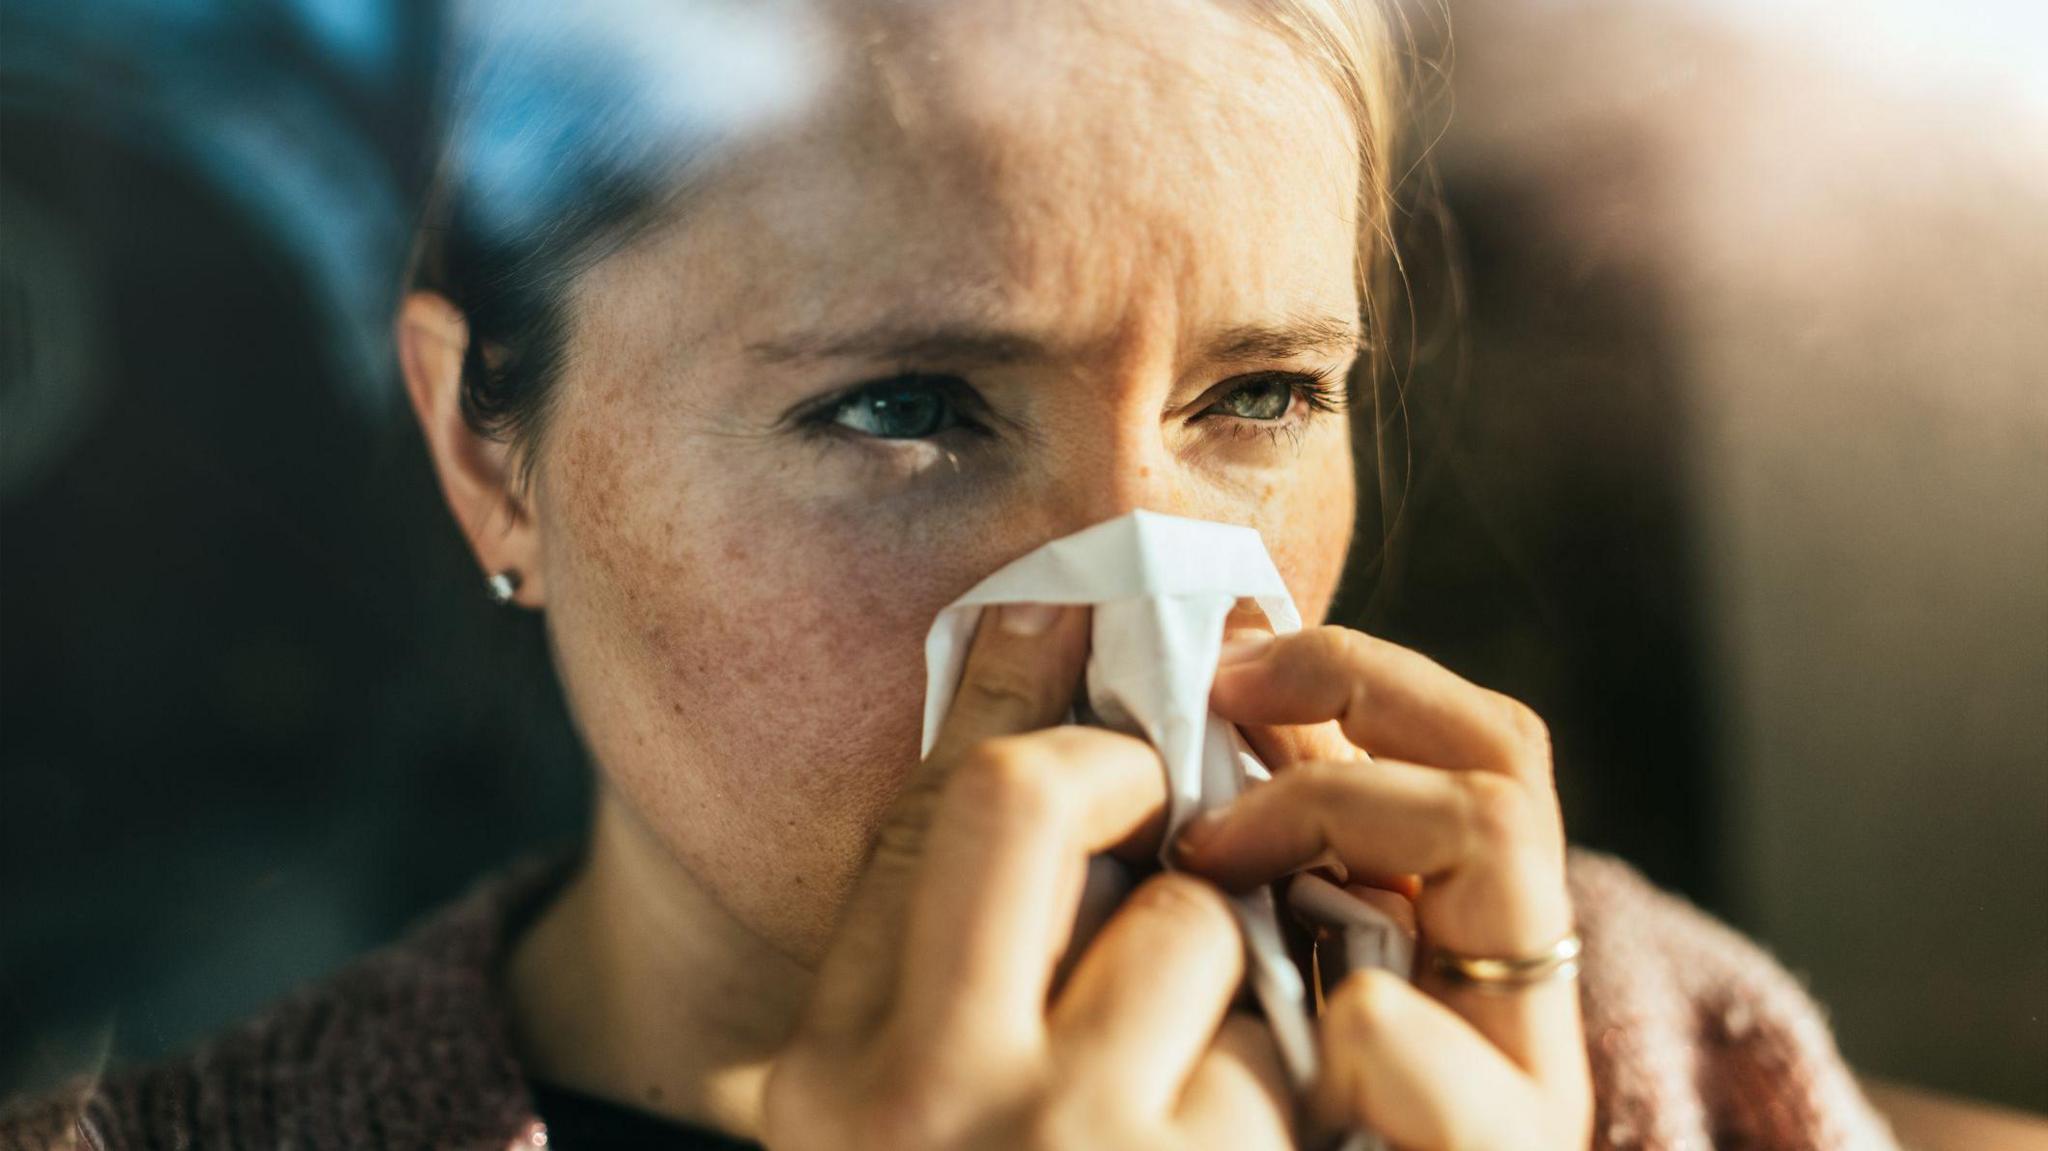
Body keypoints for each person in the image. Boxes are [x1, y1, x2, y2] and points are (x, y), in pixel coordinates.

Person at [2, 1, 1898, 1148]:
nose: (1141, 609)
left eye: (1259, 396)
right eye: (904, 405)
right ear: (485, 453)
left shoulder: (1640, 1041)